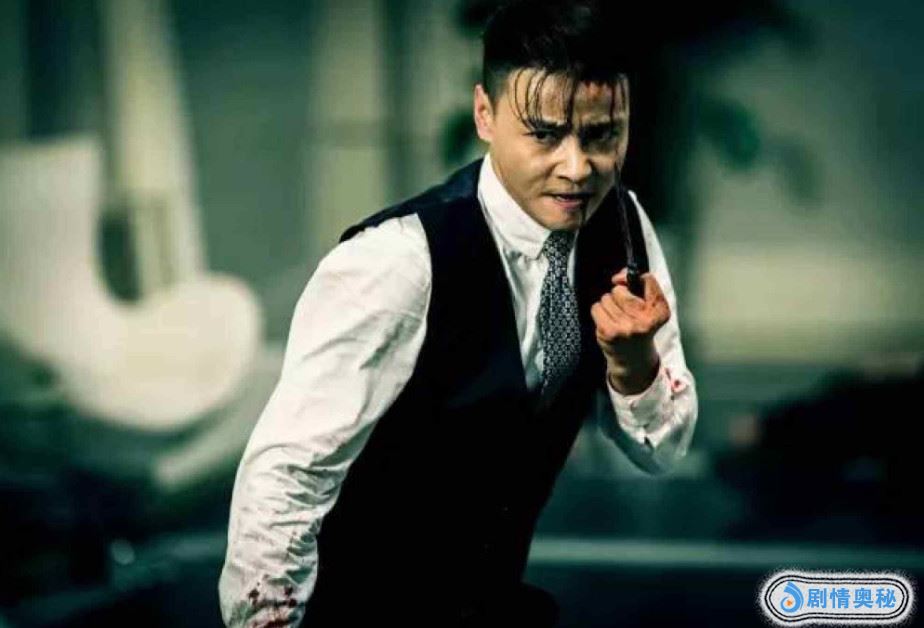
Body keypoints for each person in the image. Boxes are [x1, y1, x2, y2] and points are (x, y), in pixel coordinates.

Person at [218, 0, 698, 625]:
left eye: (602, 135)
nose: (577, 168)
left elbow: (663, 451)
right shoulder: (396, 261)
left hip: (490, 603)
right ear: (484, 115)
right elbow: (287, 475)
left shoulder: (623, 228)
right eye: (545, 135)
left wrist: (634, 368)